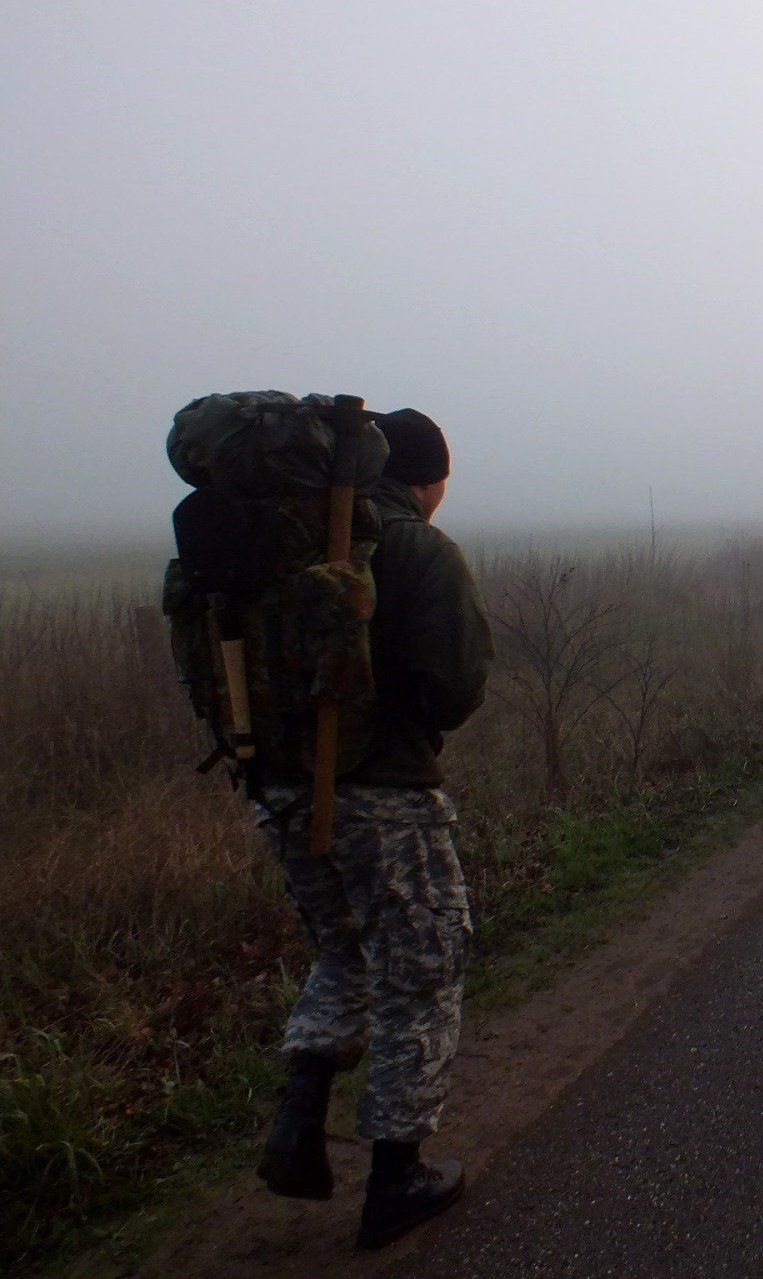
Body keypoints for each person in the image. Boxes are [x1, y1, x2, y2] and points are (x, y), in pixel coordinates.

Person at [254, 406, 494, 1250]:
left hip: (280, 789)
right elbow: (453, 690)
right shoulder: (419, 548)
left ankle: (298, 1122)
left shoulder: (296, 539)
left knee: (342, 948)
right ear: (428, 482)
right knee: (424, 967)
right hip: (383, 792)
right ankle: (397, 1178)